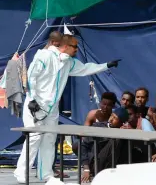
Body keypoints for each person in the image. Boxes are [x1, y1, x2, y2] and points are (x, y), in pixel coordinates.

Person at [14, 34, 121, 183]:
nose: (77, 50)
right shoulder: (44, 56)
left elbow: (84, 69)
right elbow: (32, 77)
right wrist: (31, 99)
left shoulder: (68, 62)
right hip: (36, 106)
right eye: (74, 46)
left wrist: (106, 65)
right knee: (33, 138)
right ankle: (21, 172)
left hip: (52, 109)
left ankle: (45, 174)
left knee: (50, 140)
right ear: (65, 46)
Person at [81, 108, 129, 183]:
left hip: (114, 165)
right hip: (96, 163)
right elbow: (84, 146)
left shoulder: (124, 131)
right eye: (112, 116)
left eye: (115, 118)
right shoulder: (98, 127)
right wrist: (86, 168)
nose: (111, 119)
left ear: (121, 123)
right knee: (116, 138)